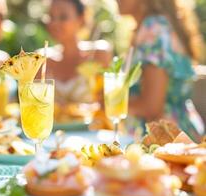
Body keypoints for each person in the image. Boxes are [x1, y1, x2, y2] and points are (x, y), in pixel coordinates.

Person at [118, 0, 205, 141]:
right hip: (178, 134)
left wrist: (112, 102)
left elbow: (151, 107)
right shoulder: (159, 24)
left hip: (165, 139)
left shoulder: (154, 28)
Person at [44, 0, 112, 104]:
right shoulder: (42, 59)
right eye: (51, 17)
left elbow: (108, 103)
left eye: (63, 17)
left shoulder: (98, 54)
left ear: (81, 19)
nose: (54, 23)